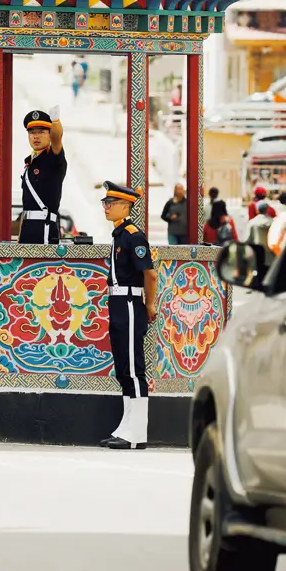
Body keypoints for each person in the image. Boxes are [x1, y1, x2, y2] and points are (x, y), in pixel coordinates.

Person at [100, 181, 157, 450]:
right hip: (118, 303)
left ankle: (137, 434)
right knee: (124, 368)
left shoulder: (133, 236)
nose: (106, 208)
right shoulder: (119, 234)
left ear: (125, 206)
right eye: (105, 203)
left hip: (131, 303)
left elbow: (150, 274)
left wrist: (150, 305)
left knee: (134, 369)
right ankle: (126, 428)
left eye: (110, 203)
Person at [19, 106, 67, 245]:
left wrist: (55, 122)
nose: (36, 136)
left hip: (44, 228)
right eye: (32, 132)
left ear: (49, 134)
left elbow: (57, 140)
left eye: (41, 132)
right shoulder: (30, 162)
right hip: (27, 229)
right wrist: (20, 236)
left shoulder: (53, 158)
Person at [246, 200, 275, 266]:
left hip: (257, 254)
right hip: (270, 254)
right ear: (267, 210)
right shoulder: (273, 222)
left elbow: (248, 239)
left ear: (257, 210)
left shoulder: (252, 223)